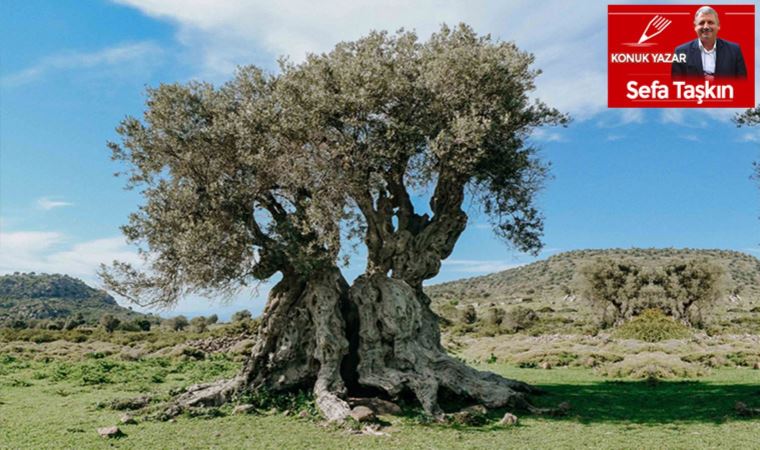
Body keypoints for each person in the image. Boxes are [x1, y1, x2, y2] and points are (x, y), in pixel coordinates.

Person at [671, 6, 747, 79]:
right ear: (695, 27)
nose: (706, 27)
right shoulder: (680, 52)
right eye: (701, 23)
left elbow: (742, 85)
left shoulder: (734, 51)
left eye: (710, 22)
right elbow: (676, 86)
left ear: (718, 26)